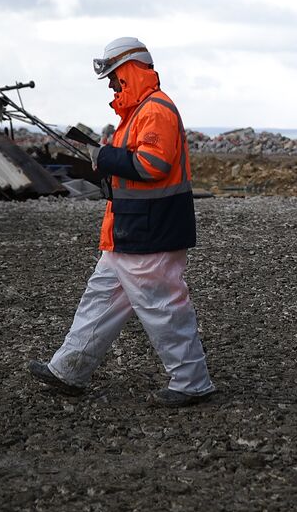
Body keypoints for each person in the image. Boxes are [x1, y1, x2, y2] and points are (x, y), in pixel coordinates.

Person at [27, 37, 217, 407]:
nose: (113, 85)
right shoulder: (138, 113)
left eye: (115, 77)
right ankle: (68, 369)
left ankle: (192, 382)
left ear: (130, 71)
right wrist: (107, 155)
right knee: (99, 300)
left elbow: (152, 165)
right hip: (130, 231)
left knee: (163, 308)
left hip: (151, 232)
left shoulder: (155, 110)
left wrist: (106, 157)